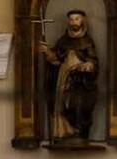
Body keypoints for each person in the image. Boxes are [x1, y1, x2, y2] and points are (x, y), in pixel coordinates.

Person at [40, 9, 99, 141]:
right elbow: (56, 59)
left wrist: (88, 65)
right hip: (63, 77)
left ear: (83, 21)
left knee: (77, 104)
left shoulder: (88, 41)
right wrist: (48, 52)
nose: (74, 22)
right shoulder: (63, 40)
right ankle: (65, 132)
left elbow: (93, 60)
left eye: (77, 19)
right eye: (71, 19)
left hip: (80, 80)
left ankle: (79, 131)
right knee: (62, 103)